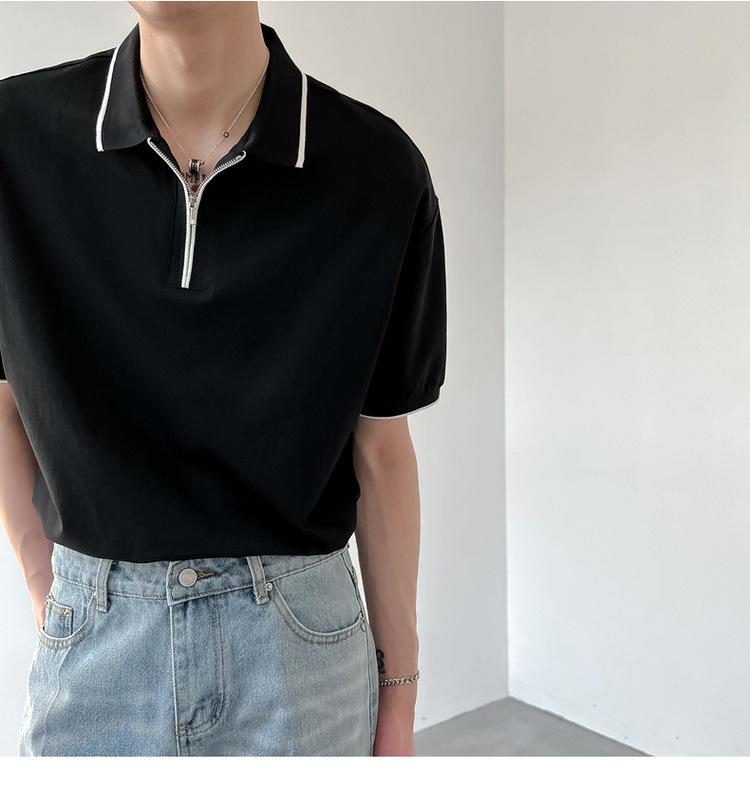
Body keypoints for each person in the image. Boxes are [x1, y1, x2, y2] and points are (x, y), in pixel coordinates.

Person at [0, 0, 446, 756]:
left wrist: (398, 695)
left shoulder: (376, 169)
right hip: (95, 651)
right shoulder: (16, 141)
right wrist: (54, 589)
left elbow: (381, 449)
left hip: (303, 660)